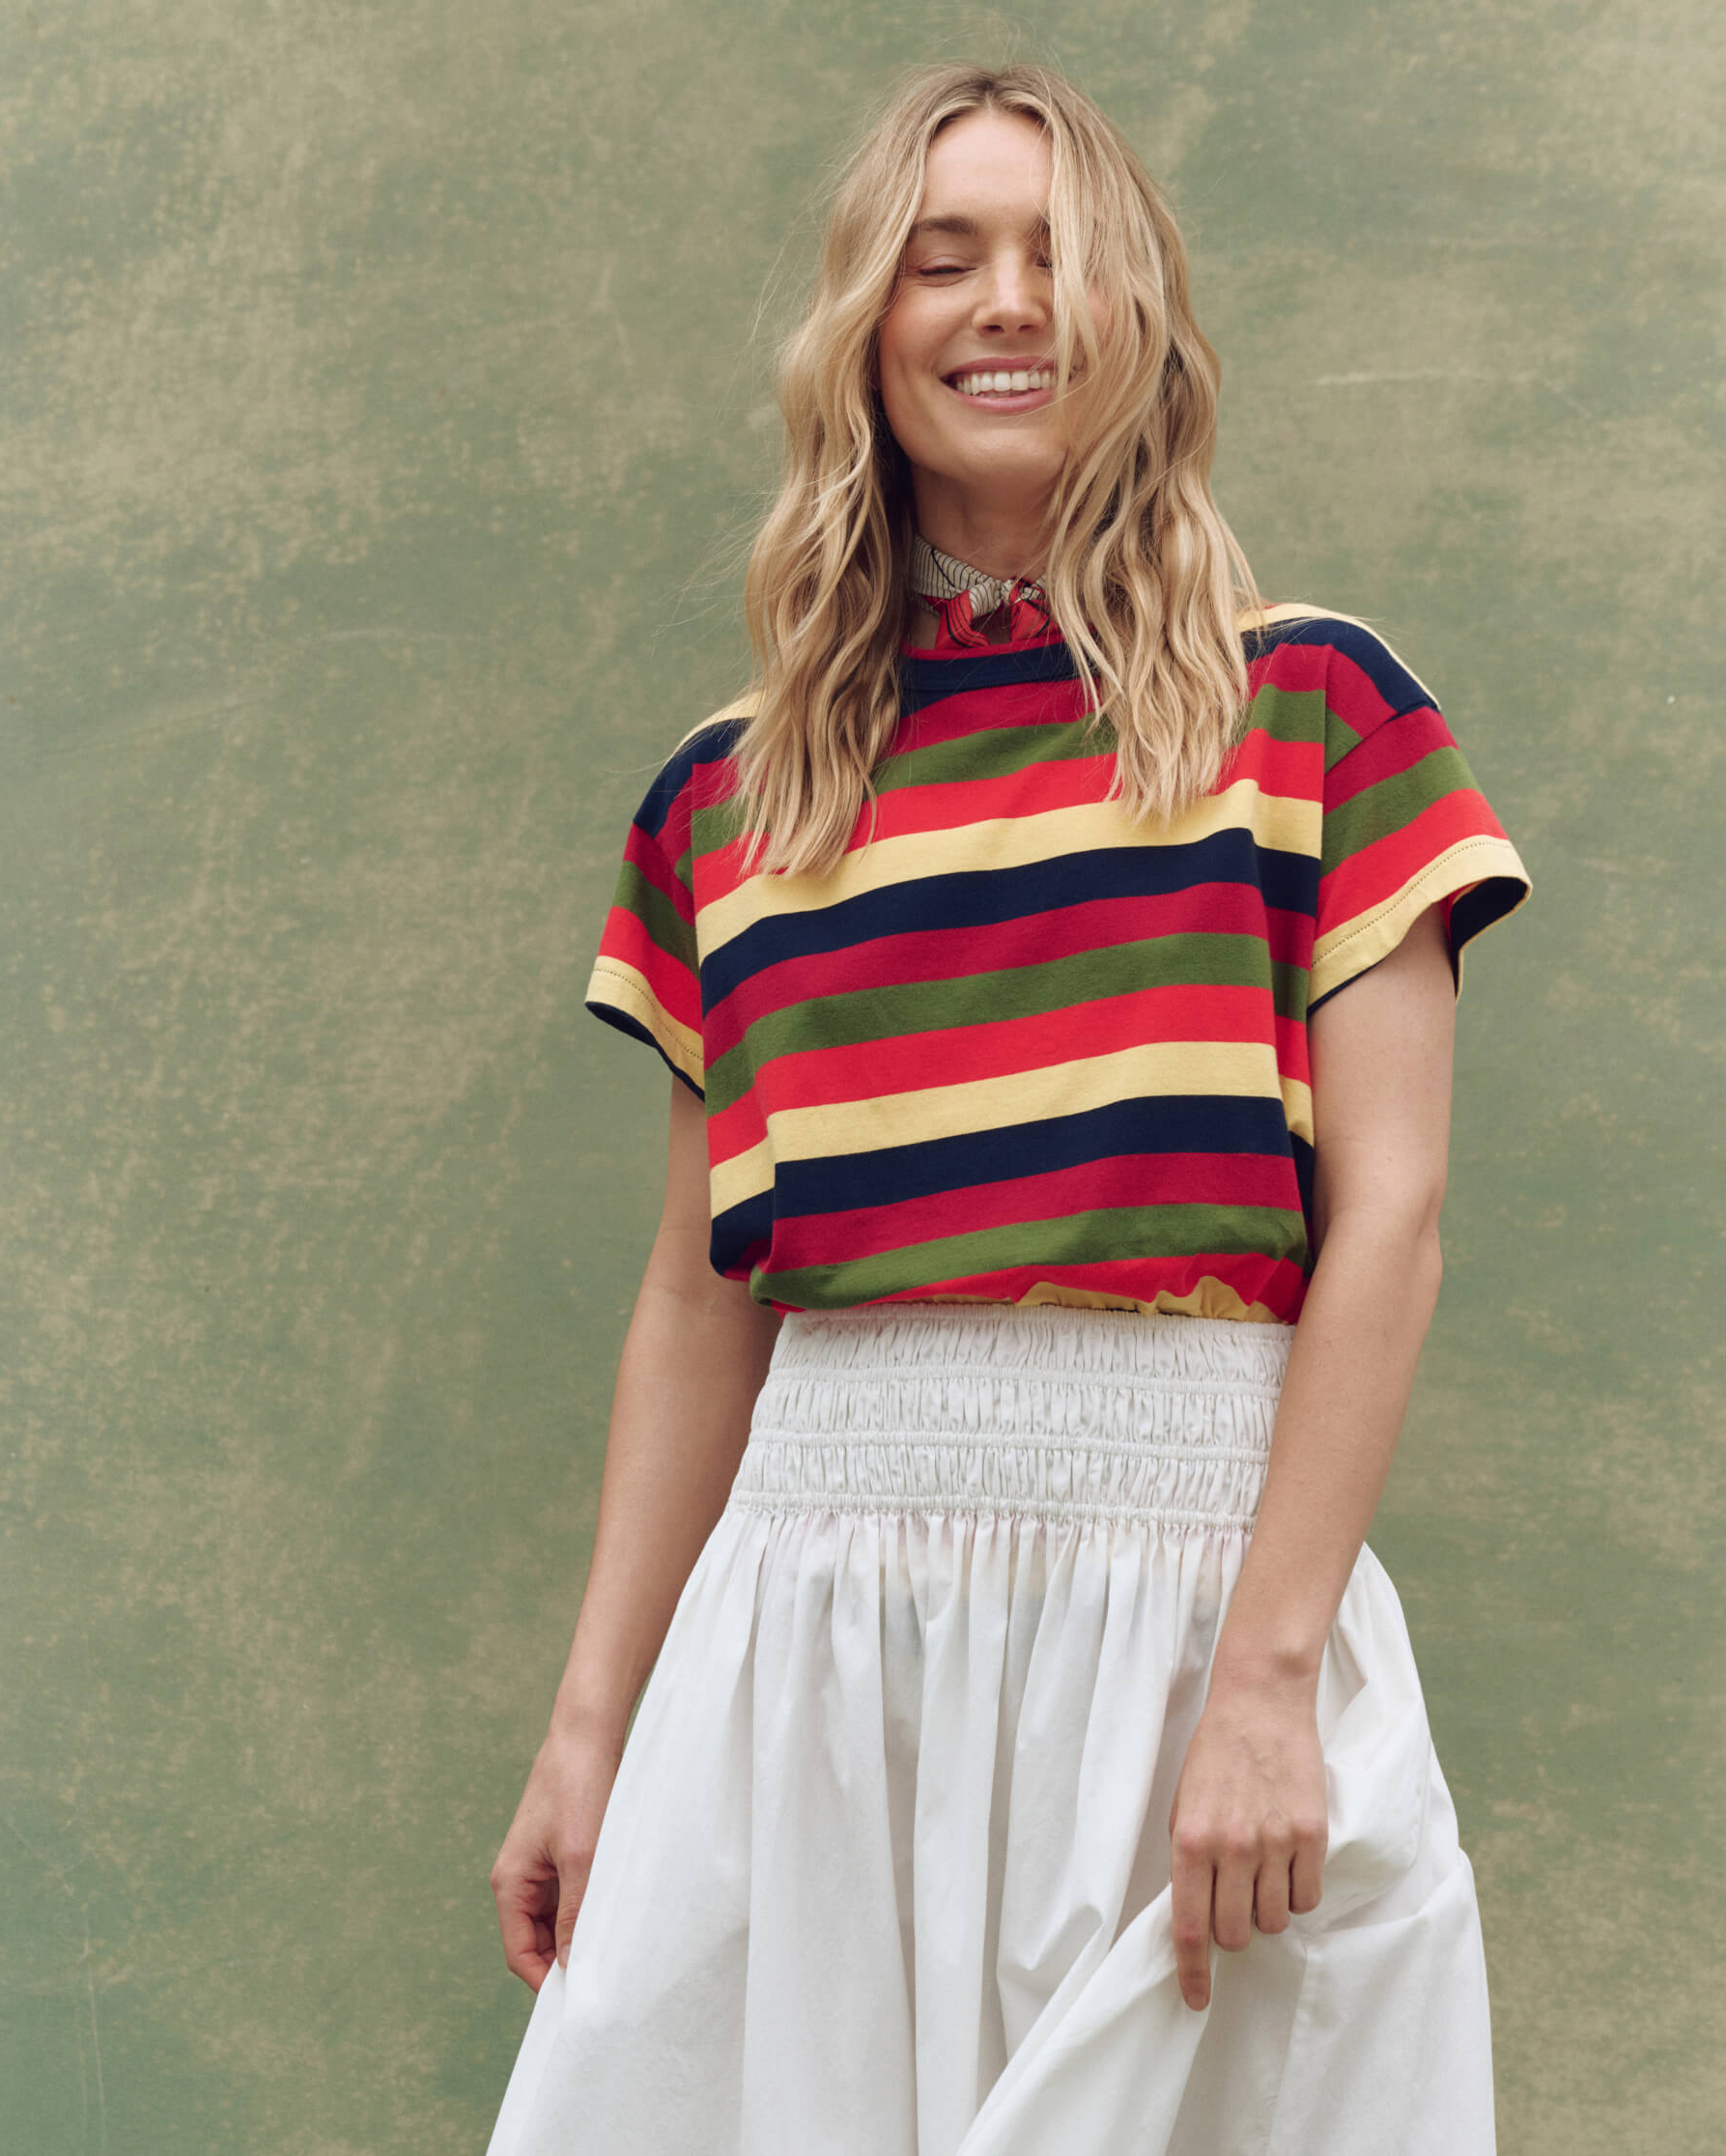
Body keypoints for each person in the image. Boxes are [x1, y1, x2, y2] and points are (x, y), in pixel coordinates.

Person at [484, 59, 1530, 2156]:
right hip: (809, 1635)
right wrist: (593, 1728)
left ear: (1140, 309)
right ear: (866, 331)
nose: (1005, 304)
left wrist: (1267, 1679)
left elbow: (1391, 1224)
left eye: (1057, 254)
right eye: (941, 258)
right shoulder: (729, 803)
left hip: (1195, 1605)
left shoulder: (1316, 710)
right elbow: (700, 1298)